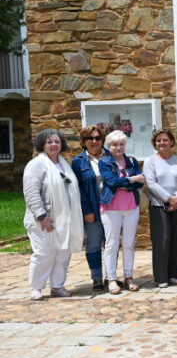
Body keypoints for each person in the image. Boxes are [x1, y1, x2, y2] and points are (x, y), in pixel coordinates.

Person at [23, 129, 83, 301]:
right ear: (42, 145)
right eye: (49, 142)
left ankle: (57, 286)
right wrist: (41, 216)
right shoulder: (36, 165)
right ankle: (36, 287)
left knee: (63, 252)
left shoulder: (63, 163)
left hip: (64, 219)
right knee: (44, 254)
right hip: (44, 219)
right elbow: (31, 192)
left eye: (57, 141)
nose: (54, 145)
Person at [98, 130, 145, 295]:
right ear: (109, 146)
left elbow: (140, 183)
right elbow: (111, 182)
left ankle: (128, 277)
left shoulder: (132, 161)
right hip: (111, 208)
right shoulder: (104, 163)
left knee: (129, 243)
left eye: (121, 144)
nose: (118, 147)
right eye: (114, 145)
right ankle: (111, 279)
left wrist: (125, 183)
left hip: (131, 207)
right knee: (111, 244)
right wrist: (131, 180)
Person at [144, 128, 177, 288]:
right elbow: (151, 183)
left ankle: (174, 274)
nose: (162, 143)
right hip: (159, 205)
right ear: (155, 143)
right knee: (162, 240)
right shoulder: (150, 161)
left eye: (165, 140)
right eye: (158, 140)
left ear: (171, 142)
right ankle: (161, 277)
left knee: (176, 239)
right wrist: (169, 198)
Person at [72, 125, 109, 291]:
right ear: (84, 141)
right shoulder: (78, 162)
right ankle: (97, 277)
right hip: (93, 209)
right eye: (90, 138)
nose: (94, 141)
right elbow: (78, 188)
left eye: (97, 138)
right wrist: (86, 210)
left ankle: (111, 276)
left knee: (111, 244)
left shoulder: (110, 156)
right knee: (93, 244)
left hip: (112, 209)